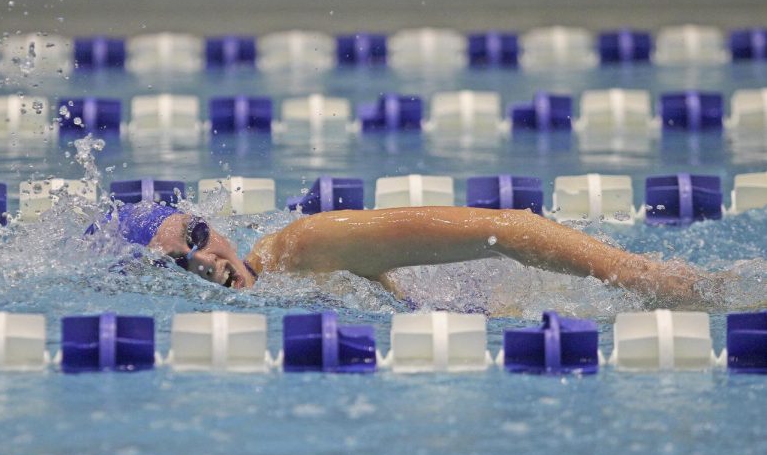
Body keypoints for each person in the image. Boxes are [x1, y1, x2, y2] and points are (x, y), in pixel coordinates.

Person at [100, 201, 719, 308]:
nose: (205, 261)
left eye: (199, 237)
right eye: (180, 262)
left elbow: (504, 229)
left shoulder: (300, 248)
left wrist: (638, 275)